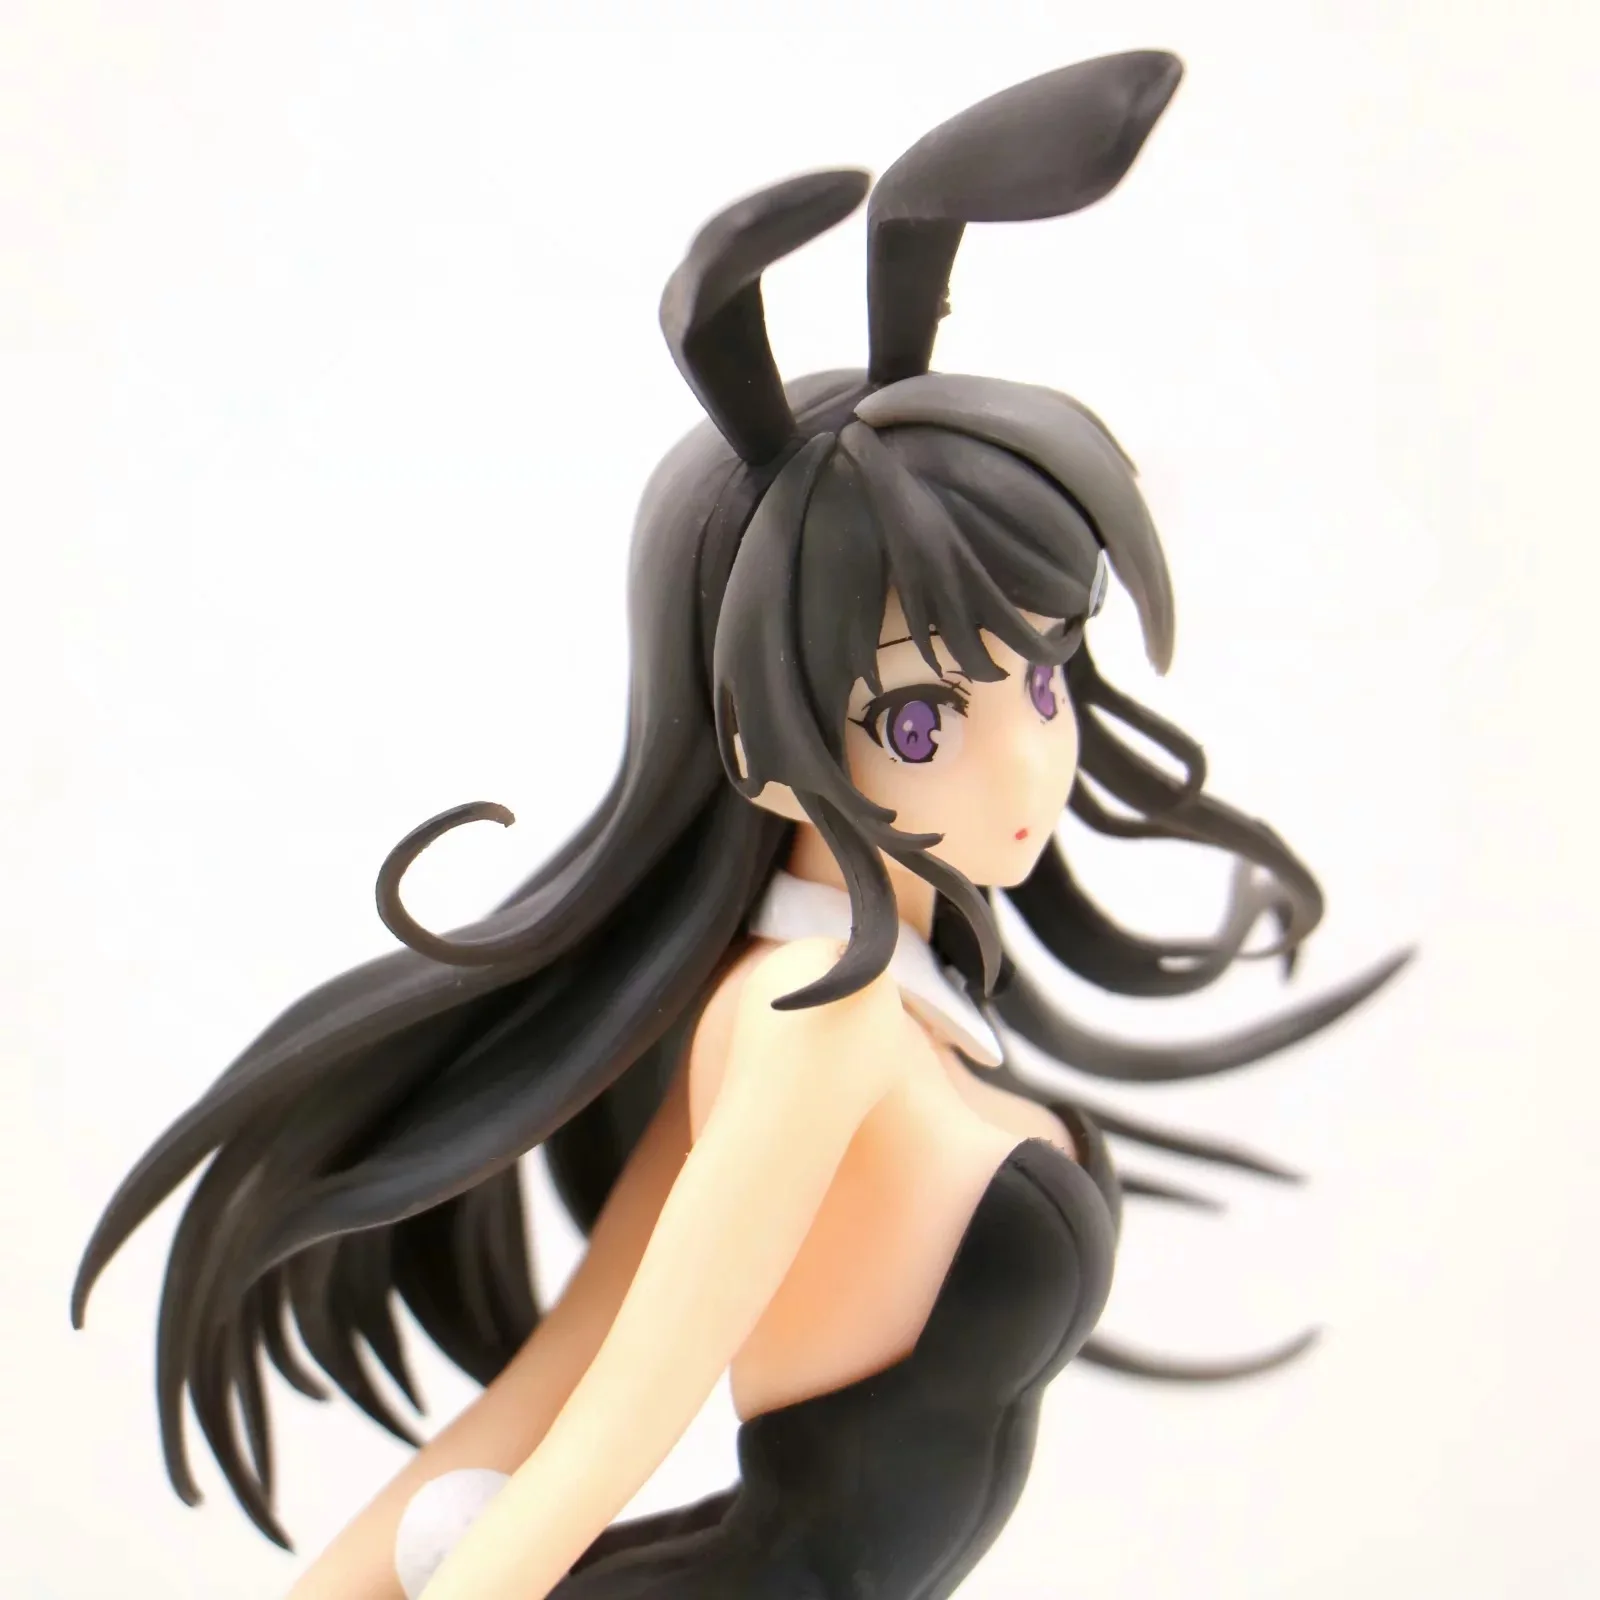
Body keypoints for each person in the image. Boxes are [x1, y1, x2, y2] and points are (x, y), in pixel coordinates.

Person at [72, 50, 1406, 1599]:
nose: (1023, 769)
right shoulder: (808, 1022)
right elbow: (613, 1414)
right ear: (761, 743)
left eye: (1044, 676)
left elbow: (573, 1368)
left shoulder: (871, 999)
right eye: (921, 720)